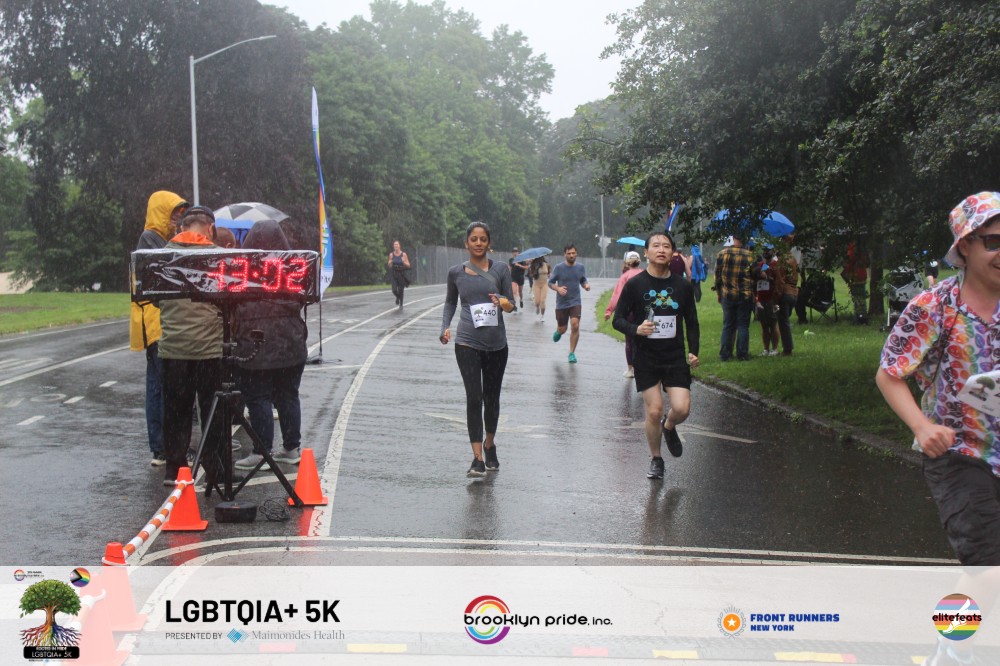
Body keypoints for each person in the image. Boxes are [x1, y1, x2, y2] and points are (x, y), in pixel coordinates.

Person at [877, 192, 1000, 666]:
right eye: (993, 241)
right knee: (988, 566)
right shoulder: (935, 306)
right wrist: (922, 425)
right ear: (965, 245)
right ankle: (951, 646)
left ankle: (952, 644)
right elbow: (889, 373)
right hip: (959, 455)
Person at [613, 231, 699, 480]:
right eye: (656, 246)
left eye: (666, 246)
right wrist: (636, 329)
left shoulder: (682, 286)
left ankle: (669, 427)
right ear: (646, 252)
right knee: (654, 410)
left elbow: (692, 322)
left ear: (673, 253)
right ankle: (656, 459)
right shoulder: (635, 284)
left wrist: (694, 351)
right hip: (646, 357)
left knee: (681, 409)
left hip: (674, 356)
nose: (661, 249)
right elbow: (618, 320)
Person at [440, 221, 516, 477]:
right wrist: (444, 327)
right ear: (467, 243)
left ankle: (489, 444)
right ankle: (477, 459)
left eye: (483, 239)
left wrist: (502, 302)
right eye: (474, 239)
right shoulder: (456, 273)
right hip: (466, 342)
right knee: (474, 398)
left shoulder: (501, 269)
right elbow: (450, 302)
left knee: (491, 398)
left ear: (489, 243)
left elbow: (512, 305)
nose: (479, 243)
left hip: (496, 345)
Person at [158, 206, 226, 486]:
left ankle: (174, 468)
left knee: (176, 410)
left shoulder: (162, 255)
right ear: (210, 228)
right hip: (209, 348)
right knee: (211, 411)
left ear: (182, 228)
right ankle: (214, 469)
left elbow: (153, 297)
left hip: (173, 347)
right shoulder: (217, 256)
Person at [234, 220, 308, 470]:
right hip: (290, 343)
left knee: (258, 397)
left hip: (255, 342)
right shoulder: (294, 267)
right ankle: (291, 447)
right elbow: (305, 297)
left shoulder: (242, 268)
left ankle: (262, 450)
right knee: (288, 394)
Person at [130, 191, 188, 466]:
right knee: (164, 387)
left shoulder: (155, 239)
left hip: (155, 321)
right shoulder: (150, 240)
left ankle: (161, 447)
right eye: (174, 212)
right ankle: (166, 446)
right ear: (161, 212)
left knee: (157, 386)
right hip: (157, 321)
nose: (177, 218)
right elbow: (170, 272)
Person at [714, 234, 755, 361]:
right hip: (745, 295)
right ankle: (742, 354)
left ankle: (725, 355)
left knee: (728, 325)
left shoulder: (722, 254)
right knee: (743, 325)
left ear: (733, 238)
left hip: (727, 295)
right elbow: (754, 276)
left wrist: (719, 294)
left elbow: (717, 277)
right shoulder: (750, 256)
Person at [548, 244, 591, 363]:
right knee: (563, 329)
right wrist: (558, 289)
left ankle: (571, 353)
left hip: (575, 301)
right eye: (569, 253)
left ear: (576, 254)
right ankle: (559, 332)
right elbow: (550, 283)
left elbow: (582, 279)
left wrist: (585, 285)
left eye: (573, 253)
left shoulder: (580, 267)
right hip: (562, 303)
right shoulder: (558, 268)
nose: (571, 255)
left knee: (575, 325)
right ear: (564, 254)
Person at [604, 251, 644, 377]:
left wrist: (609, 311)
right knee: (644, 338)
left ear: (627, 263)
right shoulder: (646, 274)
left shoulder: (625, 277)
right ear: (639, 261)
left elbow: (617, 295)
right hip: (644, 311)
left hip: (629, 312)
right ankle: (643, 368)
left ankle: (630, 369)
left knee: (629, 340)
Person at [775, 240, 799, 356]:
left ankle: (787, 349)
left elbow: (780, 281)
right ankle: (787, 347)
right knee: (785, 321)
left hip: (785, 292)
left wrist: (776, 297)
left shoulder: (782, 261)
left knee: (783, 322)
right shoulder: (793, 259)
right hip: (794, 292)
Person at [754, 246, 780, 356]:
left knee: (773, 323)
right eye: (764, 250)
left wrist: (767, 278)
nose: (766, 252)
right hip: (760, 298)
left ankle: (774, 349)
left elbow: (778, 282)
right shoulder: (759, 265)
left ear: (773, 251)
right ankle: (766, 349)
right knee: (764, 325)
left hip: (772, 299)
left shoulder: (776, 265)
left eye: (768, 250)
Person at [842, 240, 869, 324]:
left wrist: (846, 270)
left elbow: (848, 263)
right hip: (862, 275)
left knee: (857, 299)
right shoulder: (863, 250)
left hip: (855, 277)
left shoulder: (851, 250)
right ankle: (863, 317)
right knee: (861, 298)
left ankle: (860, 318)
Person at [387, 240, 411, 309]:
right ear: (393, 246)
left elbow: (408, 265)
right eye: (394, 245)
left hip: (401, 273)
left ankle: (401, 304)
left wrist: (404, 262)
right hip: (394, 273)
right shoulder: (391, 255)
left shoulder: (403, 254)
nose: (396, 246)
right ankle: (398, 297)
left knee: (401, 290)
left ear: (399, 246)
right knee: (394, 290)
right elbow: (390, 266)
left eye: (397, 244)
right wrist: (390, 263)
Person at [529, 256, 550, 322]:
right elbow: (531, 274)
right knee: (537, 302)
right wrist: (534, 272)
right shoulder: (533, 265)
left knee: (542, 301)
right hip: (536, 285)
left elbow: (549, 273)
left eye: (541, 258)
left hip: (544, 284)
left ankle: (542, 316)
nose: (540, 259)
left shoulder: (547, 265)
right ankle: (537, 307)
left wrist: (550, 275)